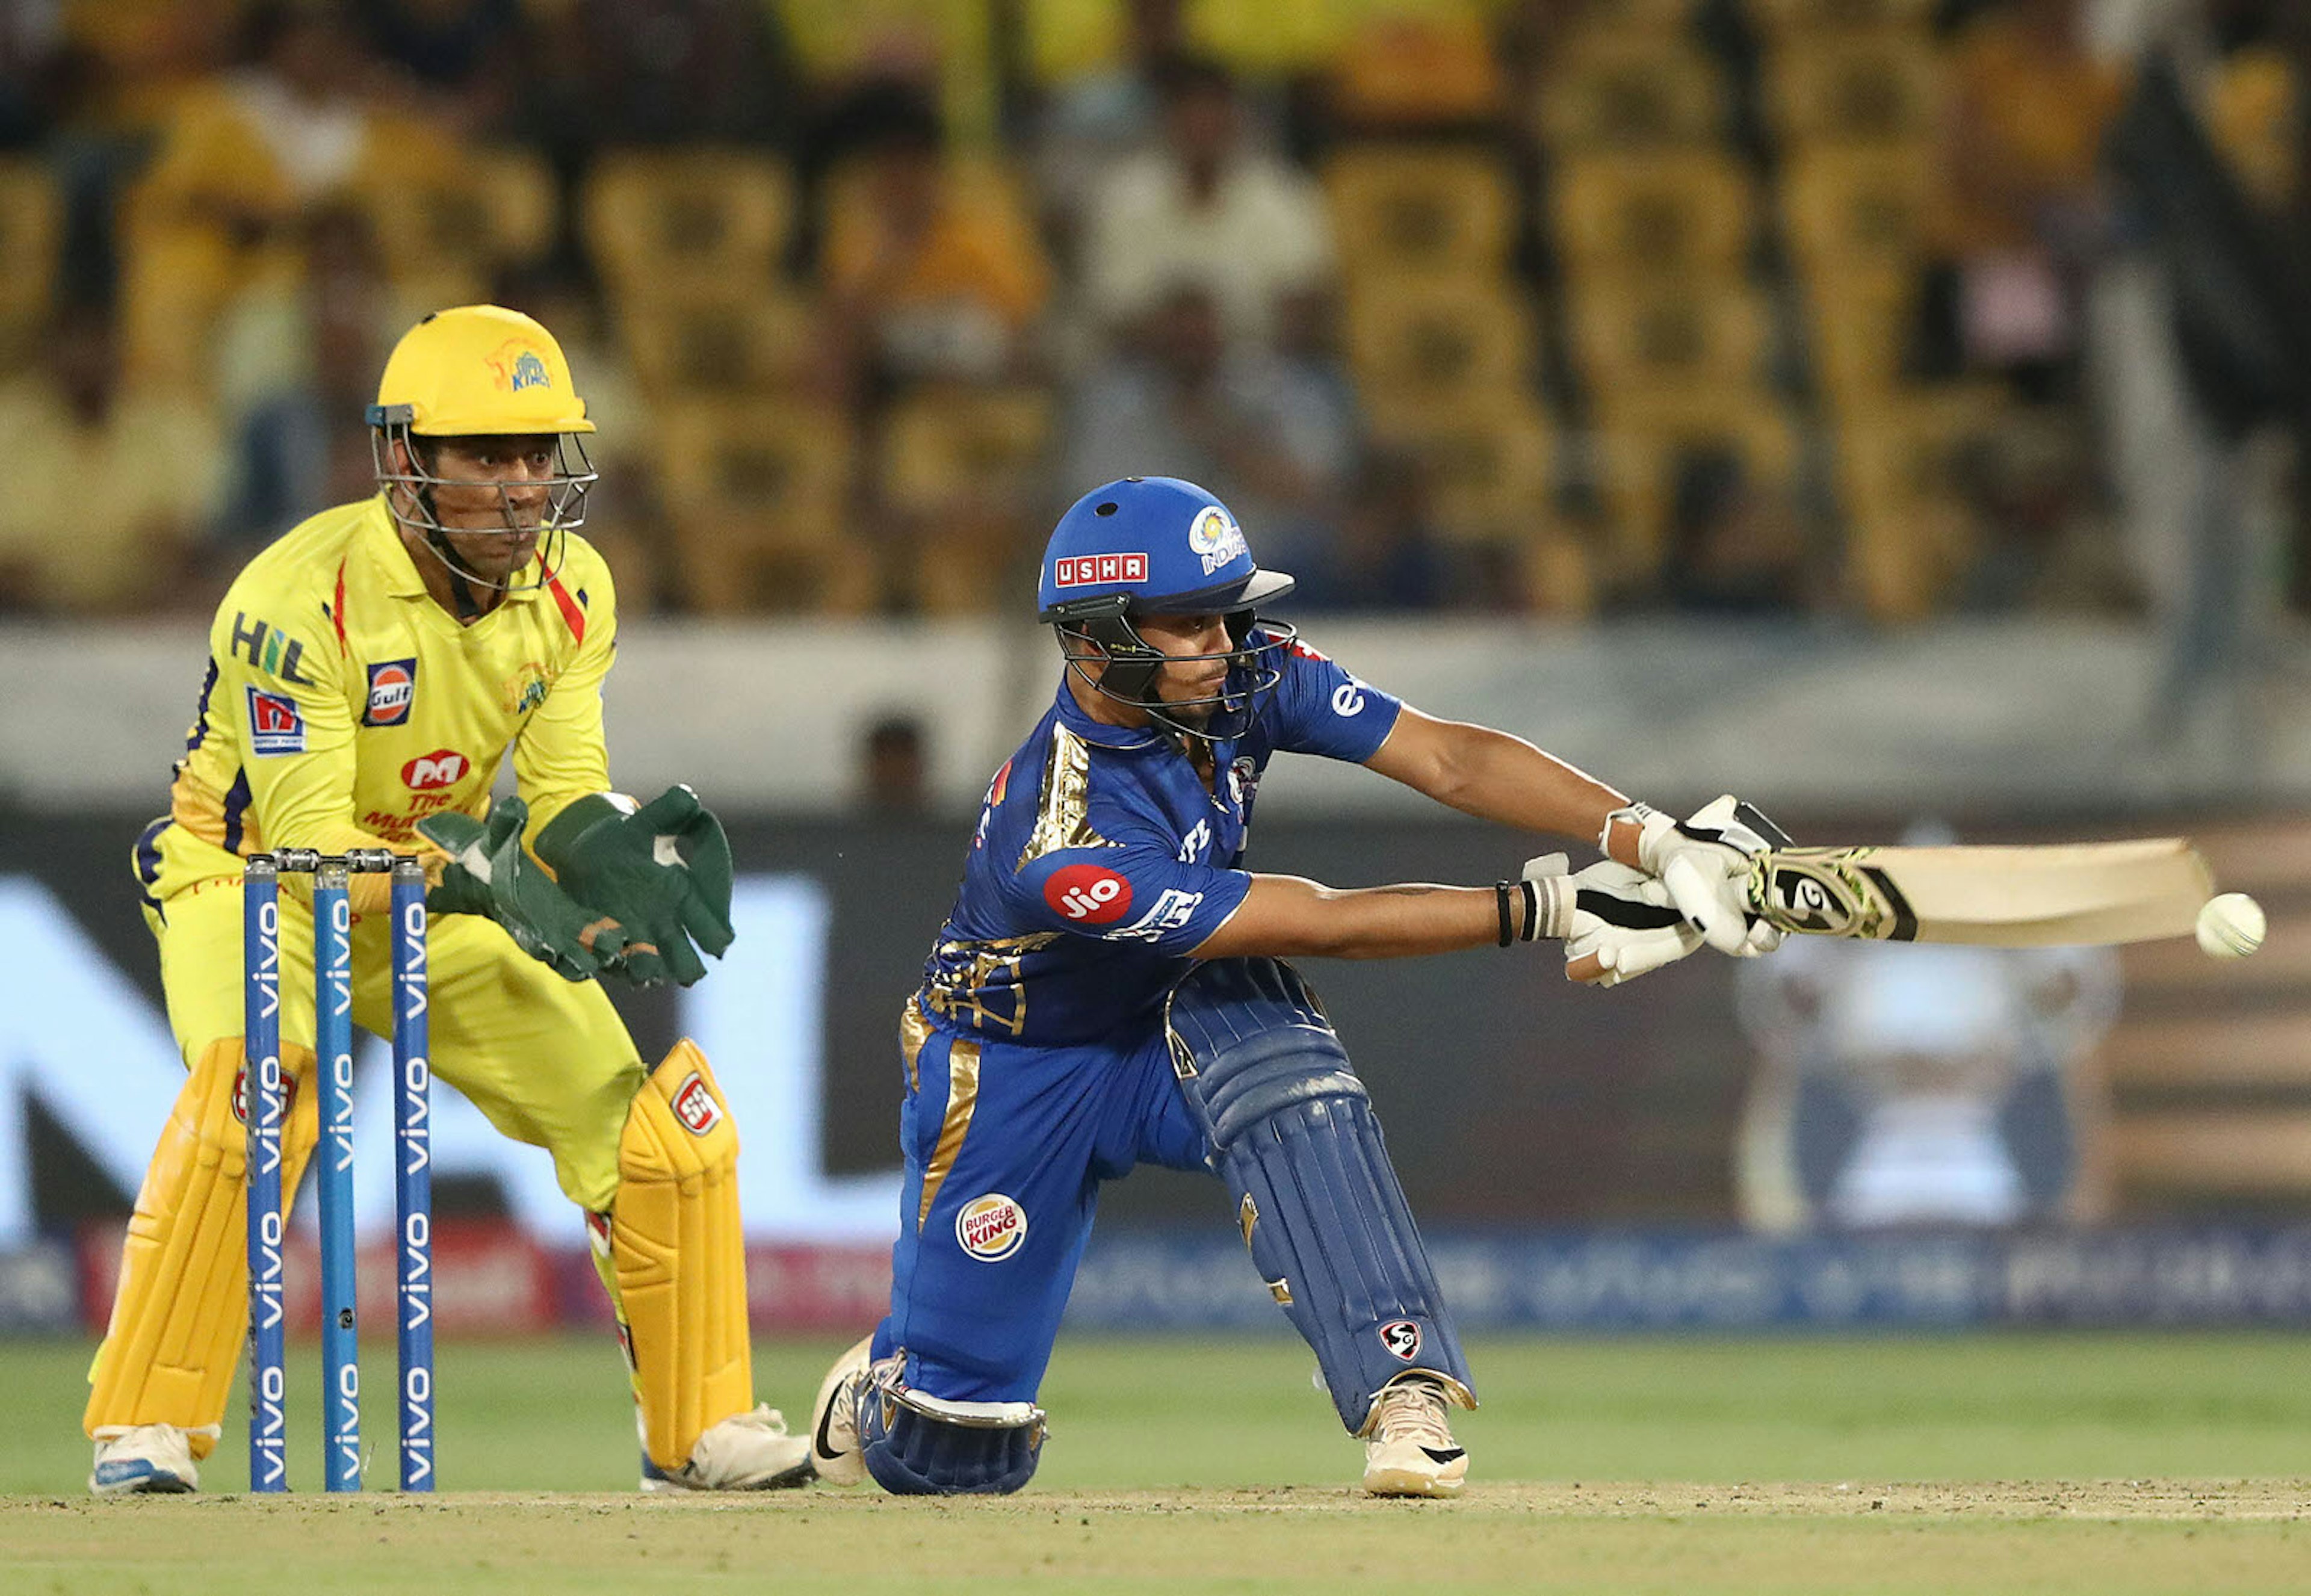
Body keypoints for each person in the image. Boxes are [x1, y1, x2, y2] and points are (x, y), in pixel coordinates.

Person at [805, 475, 1782, 1499]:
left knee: (1277, 1051)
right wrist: (1550, 909)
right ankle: (886, 1385)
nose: (1228, 645)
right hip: (1012, 1070)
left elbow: (1448, 757)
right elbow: (1323, 921)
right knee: (952, 1453)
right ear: (1099, 641)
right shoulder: (1062, 837)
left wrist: (1647, 837)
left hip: (1165, 1024)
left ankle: (1402, 1389)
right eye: (1192, 624)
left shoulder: (1250, 671)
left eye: (1230, 615)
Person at [87, 303, 810, 1496]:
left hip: (433, 885)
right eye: (486, 455)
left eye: (538, 456)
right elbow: (315, 838)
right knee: (265, 1091)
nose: (522, 488)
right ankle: (145, 1426)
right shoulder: (297, 598)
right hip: (253, 878)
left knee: (653, 1129)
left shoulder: (574, 588)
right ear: (406, 458)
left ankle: (700, 1430)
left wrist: (610, 858)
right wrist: (483, 873)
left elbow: (568, 790)